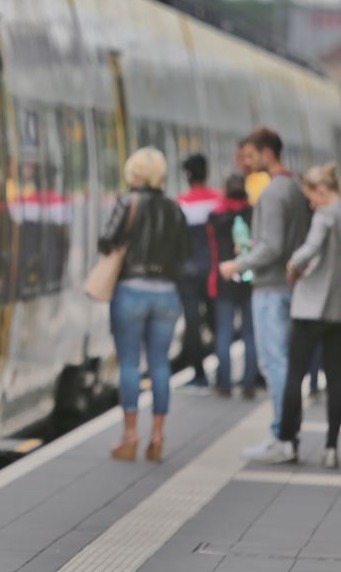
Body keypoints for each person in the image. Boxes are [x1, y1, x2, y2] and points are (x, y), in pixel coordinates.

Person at [251, 163, 341, 467]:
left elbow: (308, 250)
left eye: (311, 197)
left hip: (313, 308)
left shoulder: (324, 217)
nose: (310, 203)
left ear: (322, 190)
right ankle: (331, 448)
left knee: (296, 375)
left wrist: (292, 267)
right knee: (335, 377)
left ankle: (286, 443)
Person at [219, 127, 311, 457]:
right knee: (282, 362)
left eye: (250, 154)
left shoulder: (273, 193)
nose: (246, 160)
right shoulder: (295, 188)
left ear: (266, 153)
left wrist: (238, 264)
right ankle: (287, 434)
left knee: (275, 364)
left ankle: (282, 437)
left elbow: (272, 247)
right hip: (286, 286)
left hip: (271, 289)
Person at [100, 147, 191, 463]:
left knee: (129, 364)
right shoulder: (174, 208)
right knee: (160, 364)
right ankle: (156, 437)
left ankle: (129, 435)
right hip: (166, 294)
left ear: (134, 174)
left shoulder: (128, 202)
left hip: (131, 291)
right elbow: (185, 252)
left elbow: (105, 240)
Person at [206, 174, 257, 399]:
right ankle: (248, 384)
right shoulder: (254, 213)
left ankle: (224, 383)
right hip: (250, 279)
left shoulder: (216, 216)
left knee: (224, 333)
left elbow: (212, 249)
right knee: (250, 334)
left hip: (223, 278)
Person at [177, 154, 223, 389]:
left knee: (192, 323)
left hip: (187, 273)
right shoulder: (219, 200)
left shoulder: (181, 203)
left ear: (188, 175)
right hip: (214, 270)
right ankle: (223, 372)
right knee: (218, 322)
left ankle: (200, 374)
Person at [238, 139, 271, 206]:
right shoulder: (241, 180)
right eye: (242, 157)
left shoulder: (262, 179)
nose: (246, 162)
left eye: (250, 156)